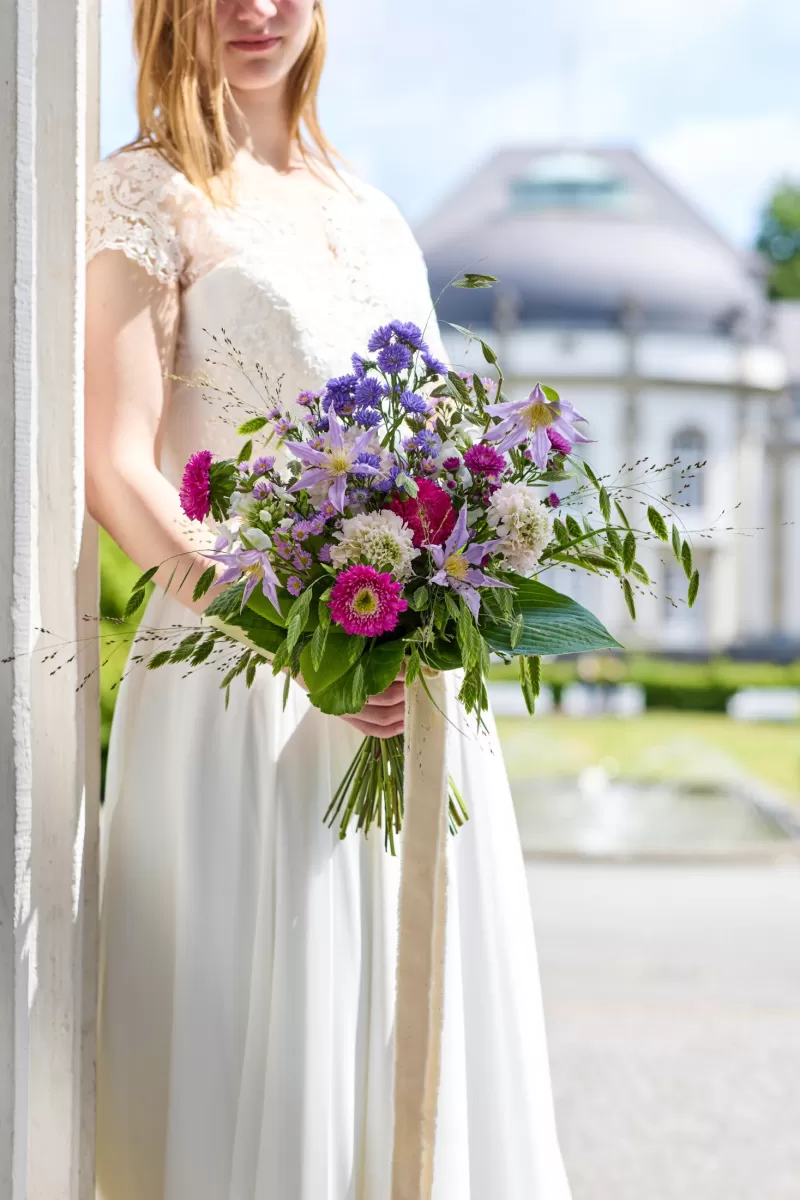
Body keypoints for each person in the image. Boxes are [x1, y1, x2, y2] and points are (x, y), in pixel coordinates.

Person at [85, 2, 572, 1197]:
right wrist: (288, 639)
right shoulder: (140, 196)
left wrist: (427, 611)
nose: (254, 9)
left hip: (408, 688)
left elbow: (429, 443)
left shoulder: (369, 203)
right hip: (237, 681)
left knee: (412, 1026)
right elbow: (114, 463)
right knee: (262, 1035)